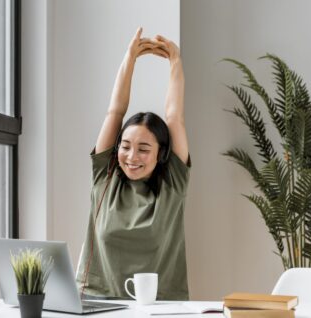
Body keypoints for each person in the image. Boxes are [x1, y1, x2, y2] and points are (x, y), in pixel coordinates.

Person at [75, 27, 190, 300]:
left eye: (143, 149)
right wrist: (130, 58)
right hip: (96, 301)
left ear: (162, 153)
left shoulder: (173, 183)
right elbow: (115, 110)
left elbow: (174, 117)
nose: (131, 156)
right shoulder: (105, 175)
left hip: (161, 308)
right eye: (125, 147)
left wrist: (175, 61)